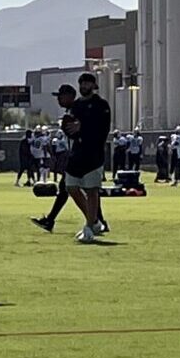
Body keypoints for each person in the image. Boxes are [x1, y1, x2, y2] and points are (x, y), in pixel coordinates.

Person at [31, 85, 109, 234]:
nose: (59, 99)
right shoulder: (73, 110)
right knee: (72, 188)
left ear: (70, 96)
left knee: (81, 188)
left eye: (61, 96)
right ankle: (96, 221)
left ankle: (96, 221)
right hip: (77, 156)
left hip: (85, 156)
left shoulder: (79, 109)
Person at [64, 72, 112, 243]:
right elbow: (70, 129)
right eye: (81, 83)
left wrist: (81, 127)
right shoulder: (76, 106)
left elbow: (102, 129)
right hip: (77, 152)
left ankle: (89, 227)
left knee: (92, 190)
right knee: (70, 187)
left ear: (93, 85)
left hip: (94, 153)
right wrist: (70, 130)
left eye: (87, 83)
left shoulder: (101, 105)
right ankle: (94, 221)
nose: (84, 86)